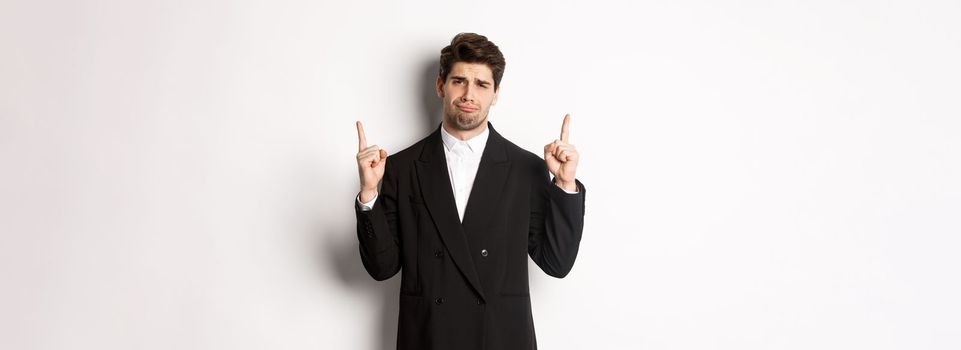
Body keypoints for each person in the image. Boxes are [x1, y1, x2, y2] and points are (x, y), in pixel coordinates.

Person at [353, 32, 586, 350]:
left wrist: (565, 184)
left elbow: (557, 263)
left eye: (481, 85)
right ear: (440, 86)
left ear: (496, 94)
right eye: (459, 81)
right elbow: (382, 268)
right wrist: (369, 193)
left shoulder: (525, 168)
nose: (468, 94)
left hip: (501, 339)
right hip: (428, 337)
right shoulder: (402, 167)